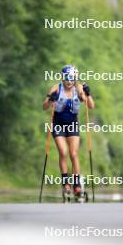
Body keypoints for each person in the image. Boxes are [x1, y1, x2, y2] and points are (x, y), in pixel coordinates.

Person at [43, 65, 95, 197]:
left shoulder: (79, 88)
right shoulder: (56, 87)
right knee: (63, 152)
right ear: (62, 77)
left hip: (72, 124)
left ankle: (76, 185)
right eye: (66, 78)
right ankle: (66, 183)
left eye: (71, 78)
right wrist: (50, 100)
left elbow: (91, 106)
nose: (69, 81)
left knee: (73, 153)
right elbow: (44, 107)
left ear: (75, 78)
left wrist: (88, 94)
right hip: (58, 124)